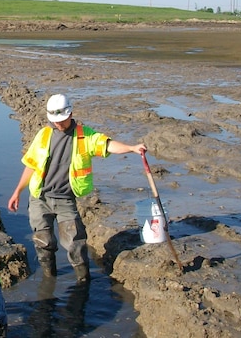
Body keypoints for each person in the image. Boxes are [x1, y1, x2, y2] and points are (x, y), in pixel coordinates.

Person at [8, 94, 147, 283]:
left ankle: (83, 282)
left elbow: (107, 145)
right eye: (54, 121)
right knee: (43, 241)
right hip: (39, 198)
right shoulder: (44, 134)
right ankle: (49, 279)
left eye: (62, 120)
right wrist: (17, 192)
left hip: (65, 200)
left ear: (70, 113)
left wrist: (131, 148)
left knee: (75, 243)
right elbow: (31, 165)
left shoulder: (84, 136)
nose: (58, 124)